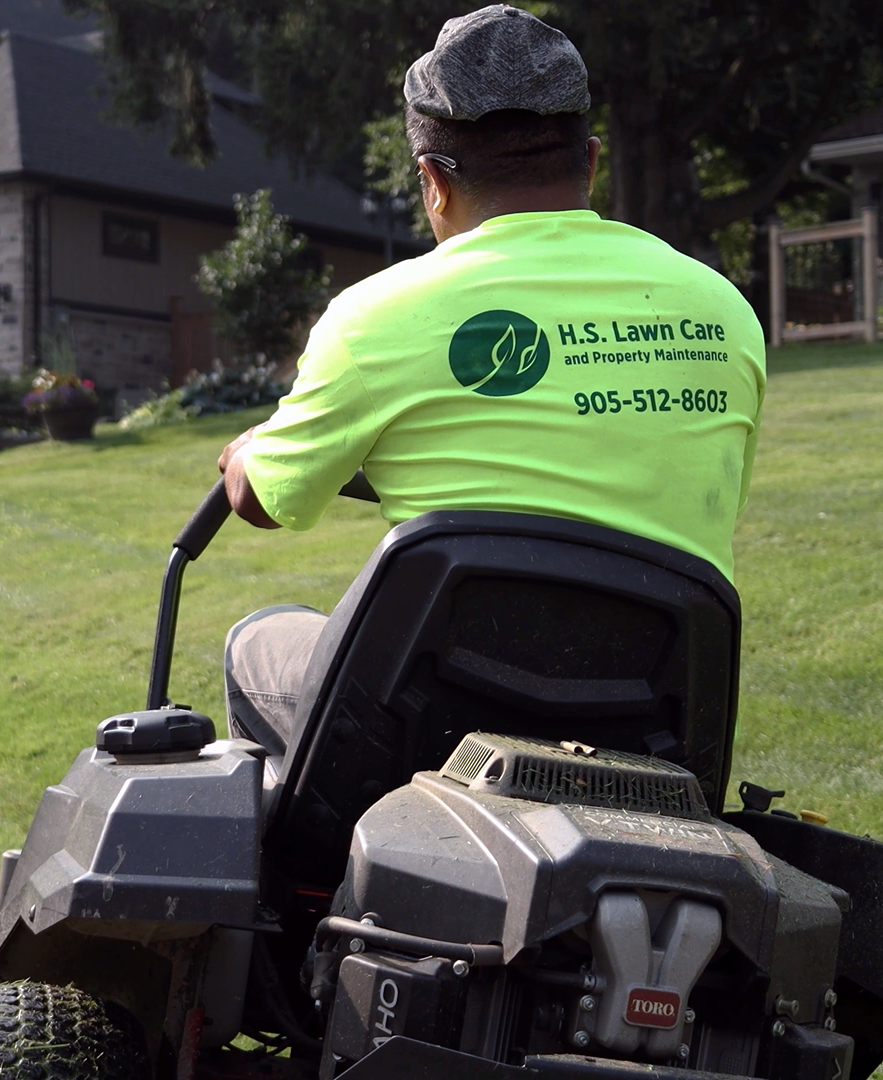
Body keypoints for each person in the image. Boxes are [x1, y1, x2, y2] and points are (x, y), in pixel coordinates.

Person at [215, 4, 767, 758]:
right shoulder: (722, 312)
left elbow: (265, 502)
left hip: (443, 737)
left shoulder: (373, 318)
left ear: (433, 182)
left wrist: (244, 457)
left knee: (259, 640)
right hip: (651, 730)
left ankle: (318, 869)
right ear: (591, 161)